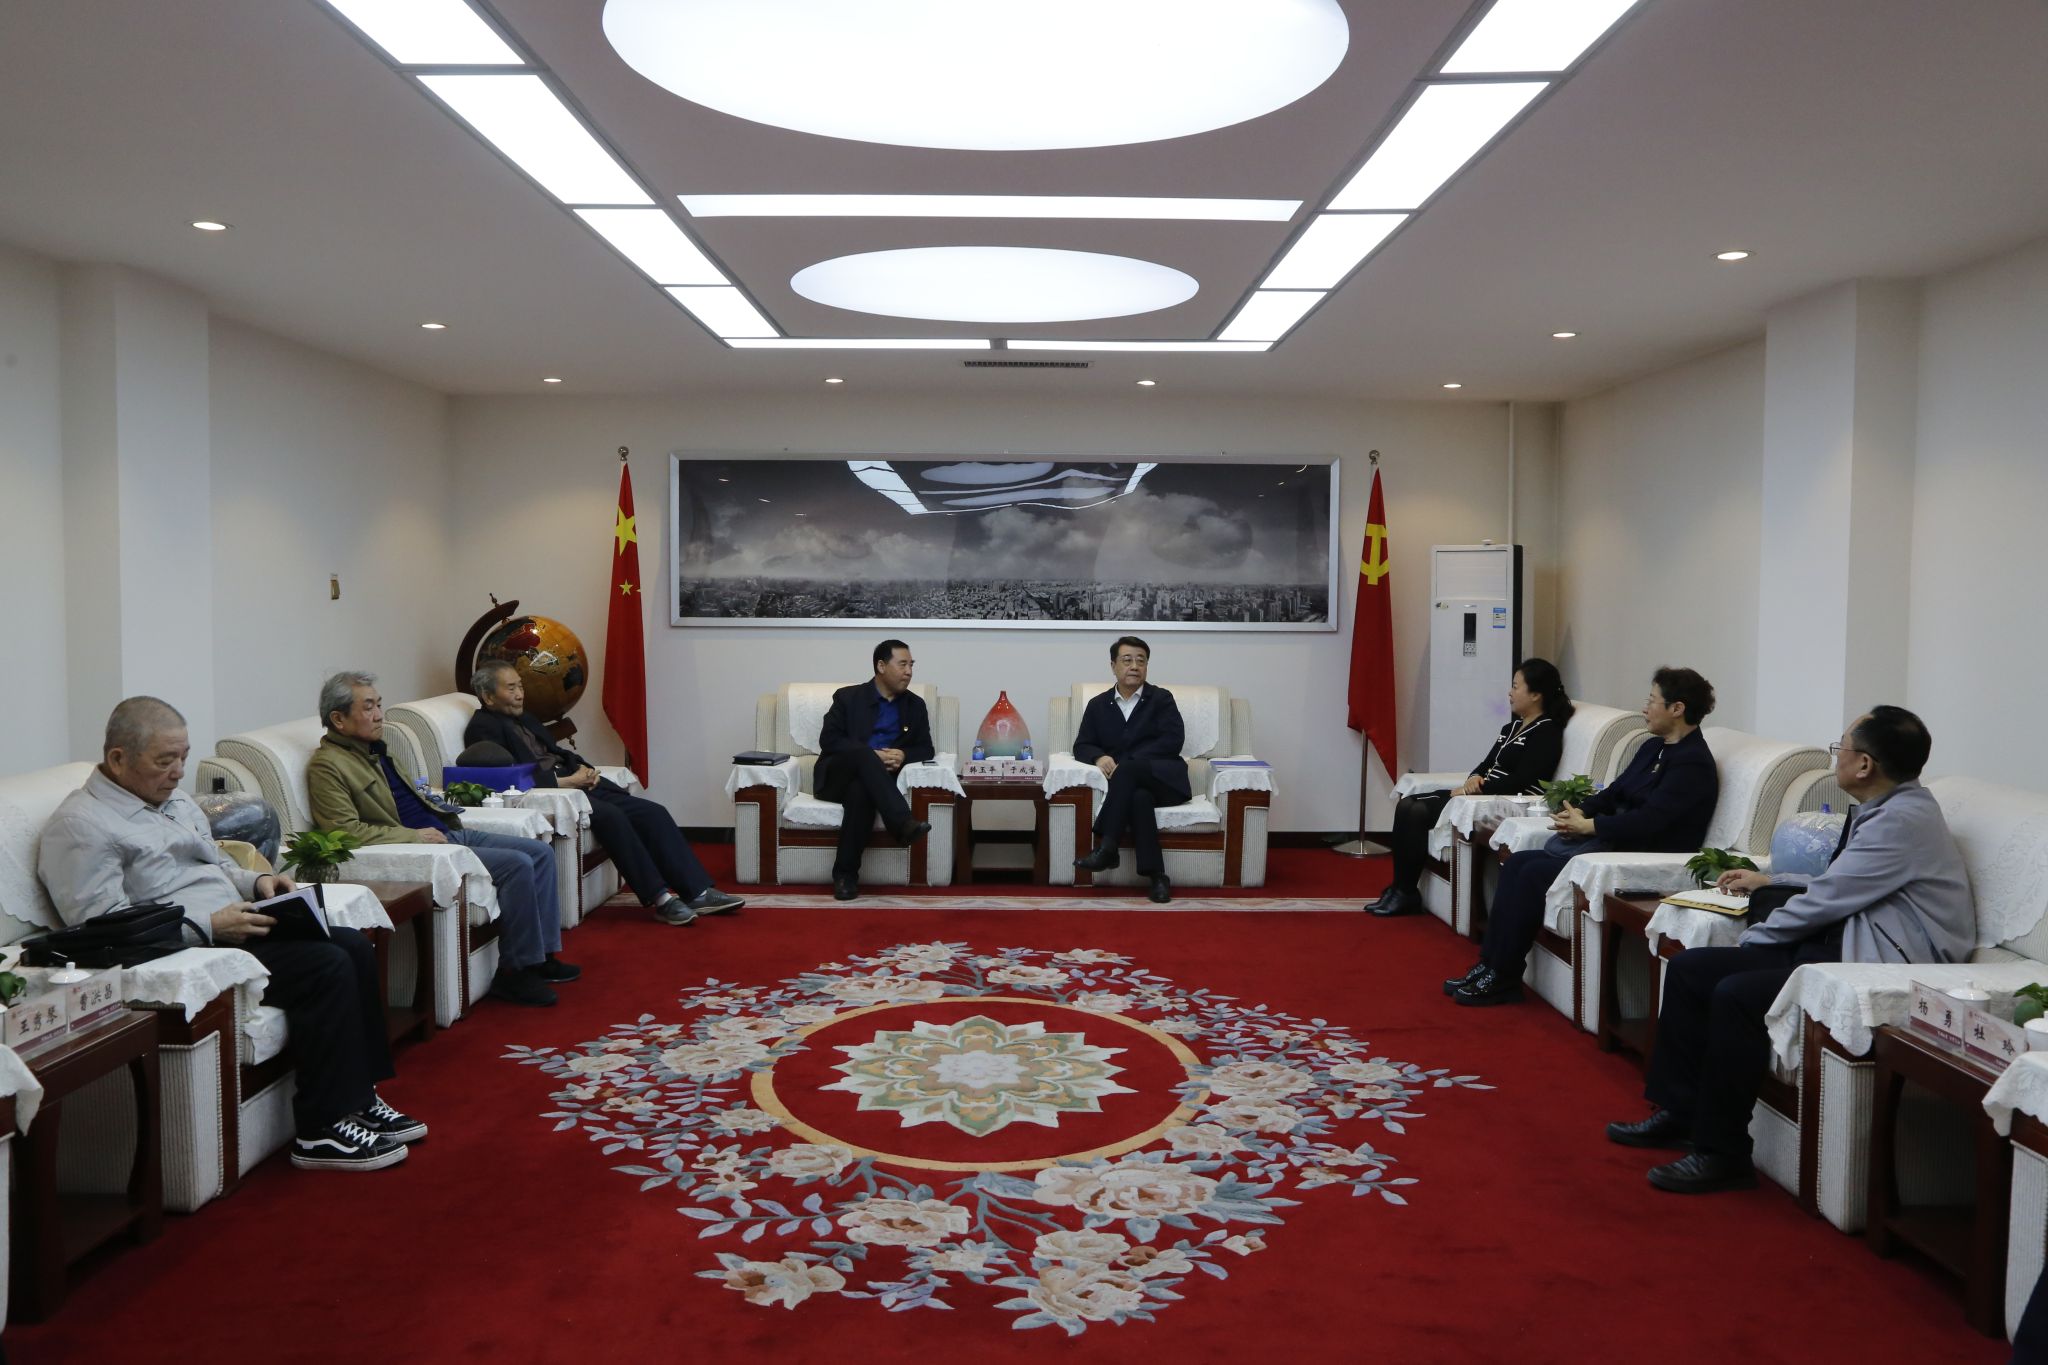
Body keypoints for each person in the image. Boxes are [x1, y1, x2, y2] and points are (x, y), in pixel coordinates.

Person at [39, 697, 422, 1172]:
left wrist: (259, 883)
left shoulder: (173, 800)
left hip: (235, 923)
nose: (179, 772)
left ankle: (359, 1098)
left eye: (183, 757)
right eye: (165, 761)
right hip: (189, 948)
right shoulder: (81, 825)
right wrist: (208, 926)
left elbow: (217, 866)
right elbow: (103, 928)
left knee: (350, 943)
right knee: (325, 964)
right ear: (118, 759)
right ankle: (320, 1130)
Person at [1607, 705, 1973, 1193]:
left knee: (1737, 994)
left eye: (1841, 748)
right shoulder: (1889, 808)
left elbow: (1830, 898)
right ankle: (1680, 1112)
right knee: (1692, 968)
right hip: (1845, 937)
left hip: (1876, 962)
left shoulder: (1901, 820)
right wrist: (1773, 880)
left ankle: (1723, 1153)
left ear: (1865, 764)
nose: (1837, 756)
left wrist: (1753, 939)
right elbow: (1844, 882)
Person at [1446, 666, 1721, 1006]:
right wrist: (1578, 811)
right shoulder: (1653, 747)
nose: (1644, 708)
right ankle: (1489, 963)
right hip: (1613, 842)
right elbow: (1614, 792)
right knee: (1518, 863)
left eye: (1652, 701)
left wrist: (1591, 827)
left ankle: (1504, 975)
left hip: (1643, 854)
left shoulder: (1693, 762)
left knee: (1532, 873)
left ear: (1677, 708)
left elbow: (1652, 820)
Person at [306, 670, 573, 1007]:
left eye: (379, 705)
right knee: (517, 864)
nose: (379, 715)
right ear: (338, 719)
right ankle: (515, 972)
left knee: (539, 852)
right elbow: (344, 832)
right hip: (428, 847)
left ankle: (542, 957)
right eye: (368, 707)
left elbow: (415, 795)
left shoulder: (376, 750)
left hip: (447, 830)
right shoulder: (328, 766)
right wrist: (412, 836)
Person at [462, 662, 743, 925]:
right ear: (488, 696)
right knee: (613, 817)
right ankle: (661, 899)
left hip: (578, 783)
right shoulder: (482, 728)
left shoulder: (526, 718)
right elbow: (507, 777)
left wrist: (585, 769)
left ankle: (697, 892)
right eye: (511, 688)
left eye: (520, 686)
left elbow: (556, 752)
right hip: (556, 795)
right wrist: (566, 781)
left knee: (652, 812)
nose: (520, 694)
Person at [1368, 658, 1572, 917]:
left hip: (1505, 801)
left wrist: (1477, 788)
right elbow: (1485, 764)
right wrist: (1474, 779)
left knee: (1418, 811)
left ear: (1535, 694)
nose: (1509, 693)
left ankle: (1405, 893)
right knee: (1408, 804)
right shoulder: (1511, 727)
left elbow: (1523, 779)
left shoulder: (1547, 731)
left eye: (1515, 686)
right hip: (1480, 794)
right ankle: (1401, 888)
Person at [1070, 635, 1192, 904]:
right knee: (1138, 798)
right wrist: (1099, 756)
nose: (1134, 666)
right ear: (1113, 666)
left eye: (1141, 661)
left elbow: (1173, 740)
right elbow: (1082, 745)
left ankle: (1107, 847)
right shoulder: (1098, 705)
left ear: (1147, 666)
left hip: (1165, 781)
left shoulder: (1161, 699)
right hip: (1130, 788)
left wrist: (1130, 763)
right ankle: (1157, 877)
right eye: (1127, 660)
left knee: (1127, 771)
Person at [814, 639, 934, 902]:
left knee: (861, 792)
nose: (909, 672)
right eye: (902, 664)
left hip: (874, 784)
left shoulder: (914, 706)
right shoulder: (848, 698)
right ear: (881, 666)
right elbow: (829, 740)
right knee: (863, 754)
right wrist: (872, 755)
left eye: (911, 665)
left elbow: (926, 749)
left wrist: (904, 755)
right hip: (836, 777)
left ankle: (845, 877)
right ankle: (902, 822)